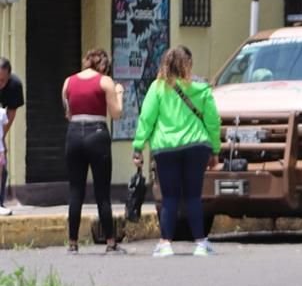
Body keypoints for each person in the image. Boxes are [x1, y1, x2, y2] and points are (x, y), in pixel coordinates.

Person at [132, 45, 221, 257]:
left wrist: (138, 146)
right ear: (188, 64)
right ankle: (201, 243)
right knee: (193, 195)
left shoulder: (157, 88)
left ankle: (165, 243)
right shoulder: (201, 89)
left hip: (165, 147)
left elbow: (147, 118)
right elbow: (212, 121)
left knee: (170, 196)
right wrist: (215, 149)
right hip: (196, 145)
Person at [62, 48, 125, 253]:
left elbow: (68, 113)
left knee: (75, 190)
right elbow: (116, 114)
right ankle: (109, 241)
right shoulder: (105, 81)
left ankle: (72, 242)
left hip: (73, 134)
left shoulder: (68, 82)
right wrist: (119, 94)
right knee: (102, 191)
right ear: (104, 65)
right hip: (97, 133)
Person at [0, 57, 24, 214]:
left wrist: (1, 137)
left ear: (9, 76)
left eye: (2, 80)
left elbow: (11, 114)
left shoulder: (14, 85)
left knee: (2, 165)